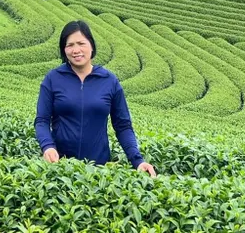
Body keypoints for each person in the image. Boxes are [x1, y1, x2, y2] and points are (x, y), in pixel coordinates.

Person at [35, 20, 156, 176]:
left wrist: (138, 161)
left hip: (98, 172)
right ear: (64, 50)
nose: (76, 50)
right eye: (69, 45)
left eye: (81, 43)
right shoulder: (53, 79)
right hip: (59, 168)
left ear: (91, 46)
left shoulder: (109, 81)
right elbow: (42, 120)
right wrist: (48, 146)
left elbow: (123, 126)